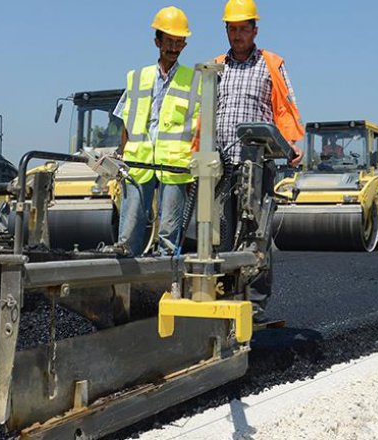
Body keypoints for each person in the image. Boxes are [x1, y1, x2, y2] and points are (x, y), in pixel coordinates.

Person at [213, 0, 304, 321]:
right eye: (231, 29)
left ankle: (254, 302)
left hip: (258, 163)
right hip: (220, 165)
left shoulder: (271, 64)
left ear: (254, 30)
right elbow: (202, 113)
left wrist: (292, 143)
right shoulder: (216, 66)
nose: (237, 35)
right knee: (220, 234)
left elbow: (284, 107)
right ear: (226, 30)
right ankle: (224, 294)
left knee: (256, 233)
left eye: (242, 29)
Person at [105, 6, 200, 256]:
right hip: (138, 163)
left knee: (169, 232)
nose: (173, 47)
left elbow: (199, 129)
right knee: (130, 229)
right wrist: (122, 156)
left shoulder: (194, 81)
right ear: (157, 41)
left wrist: (195, 170)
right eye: (169, 41)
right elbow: (126, 122)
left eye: (179, 42)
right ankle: (125, 278)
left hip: (175, 166)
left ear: (184, 45)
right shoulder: (137, 78)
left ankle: (164, 281)